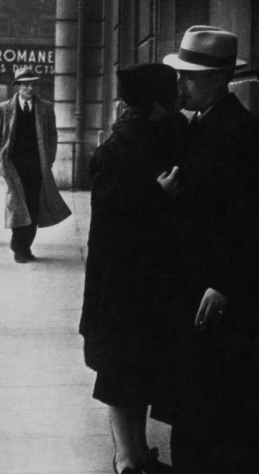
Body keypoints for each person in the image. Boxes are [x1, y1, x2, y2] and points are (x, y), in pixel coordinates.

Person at [163, 26, 259, 474]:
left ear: (215, 80)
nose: (181, 86)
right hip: (197, 284)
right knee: (195, 403)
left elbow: (252, 220)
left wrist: (223, 284)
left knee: (213, 409)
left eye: (188, 77)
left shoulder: (242, 133)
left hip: (218, 291)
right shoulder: (202, 125)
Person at [79, 64, 187, 474]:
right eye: (171, 87)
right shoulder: (121, 147)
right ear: (155, 99)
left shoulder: (166, 129)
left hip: (147, 279)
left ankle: (139, 453)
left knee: (138, 367)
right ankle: (126, 457)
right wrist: (156, 196)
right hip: (123, 281)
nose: (180, 91)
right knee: (122, 369)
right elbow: (110, 220)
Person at [0, 66, 71, 263]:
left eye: (32, 84)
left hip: (37, 165)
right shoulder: (3, 108)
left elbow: (52, 135)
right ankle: (19, 248)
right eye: (25, 84)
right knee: (18, 205)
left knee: (34, 207)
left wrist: (49, 158)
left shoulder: (45, 107)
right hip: (13, 166)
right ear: (17, 86)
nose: (29, 88)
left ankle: (24, 246)